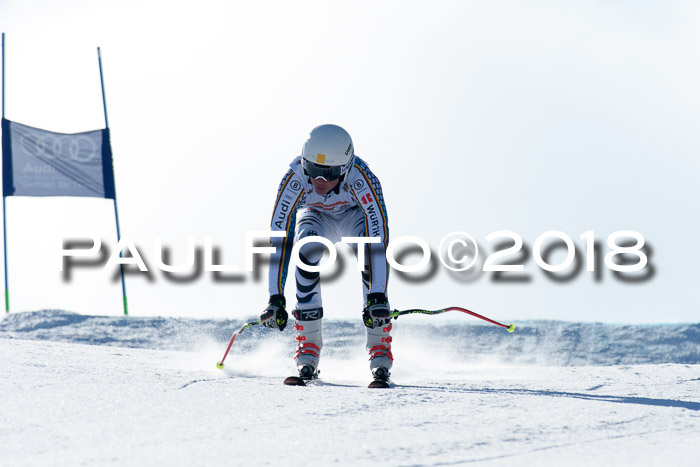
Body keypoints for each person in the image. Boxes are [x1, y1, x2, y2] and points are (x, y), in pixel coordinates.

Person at [260, 124, 393, 383]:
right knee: (304, 254)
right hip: (316, 217)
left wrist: (377, 296)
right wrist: (275, 297)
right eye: (313, 170)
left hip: (355, 217)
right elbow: (279, 241)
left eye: (328, 173)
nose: (319, 181)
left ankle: (380, 352)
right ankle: (307, 351)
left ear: (345, 169)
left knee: (369, 256)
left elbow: (379, 239)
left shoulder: (362, 179)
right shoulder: (295, 179)